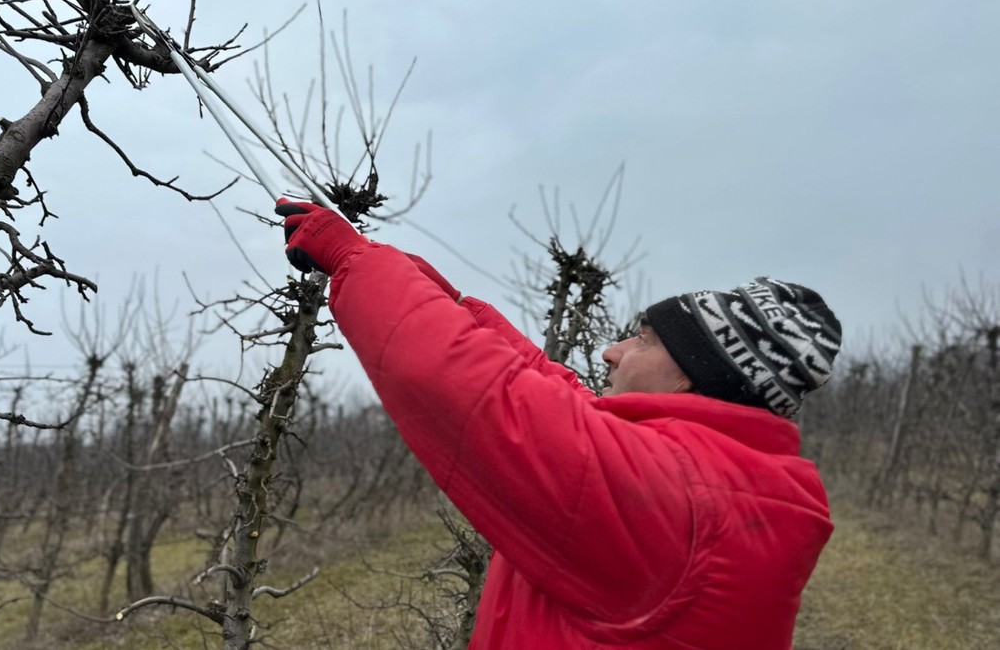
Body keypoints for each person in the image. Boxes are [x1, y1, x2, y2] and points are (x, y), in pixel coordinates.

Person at [274, 198, 843, 650]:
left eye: (643, 340)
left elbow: (480, 395)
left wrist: (361, 266)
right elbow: (557, 396)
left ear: (692, 380)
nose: (611, 352)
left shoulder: (679, 503)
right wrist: (451, 304)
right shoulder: (738, 484)